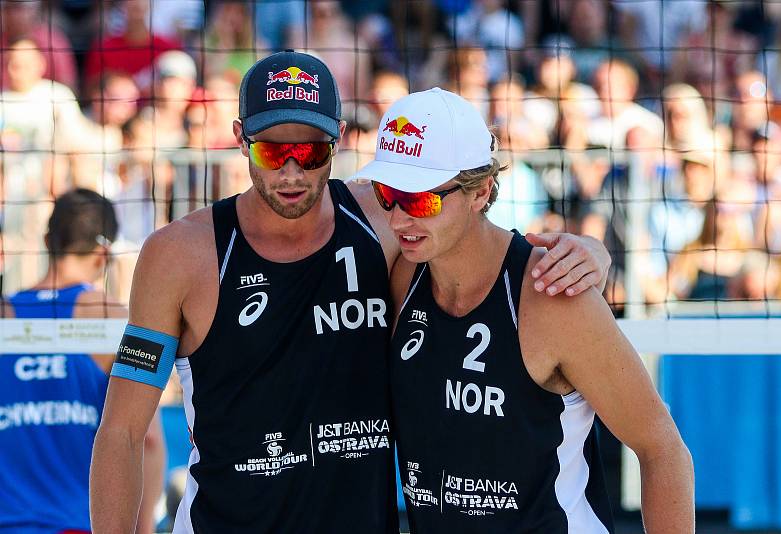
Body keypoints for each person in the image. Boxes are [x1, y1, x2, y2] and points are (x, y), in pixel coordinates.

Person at [90, 51, 612, 533]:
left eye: (311, 151)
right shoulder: (180, 255)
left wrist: (589, 251)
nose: (292, 171)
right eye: (274, 151)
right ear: (240, 137)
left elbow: (476, 235)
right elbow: (121, 432)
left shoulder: (382, 219)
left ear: (338, 137)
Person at [360, 88, 695, 532]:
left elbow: (663, 449)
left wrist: (596, 251)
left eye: (422, 200)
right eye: (388, 193)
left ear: (481, 192)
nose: (401, 218)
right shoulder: (402, 273)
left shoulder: (553, 294)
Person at [0, 189, 164, 534]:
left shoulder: (5, 316)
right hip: (78, 525)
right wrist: (144, 527)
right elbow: (147, 440)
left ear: (48, 240)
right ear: (104, 253)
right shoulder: (117, 320)